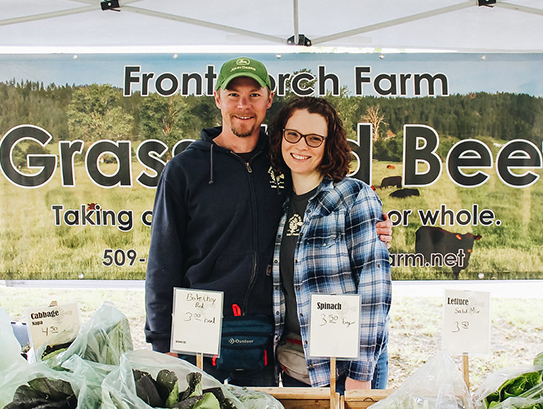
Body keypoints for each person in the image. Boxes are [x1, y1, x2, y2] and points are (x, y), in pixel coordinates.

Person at [145, 57, 392, 386]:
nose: (243, 105)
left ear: (268, 99)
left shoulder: (282, 161)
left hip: (266, 336)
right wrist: (162, 340)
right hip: (200, 328)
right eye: (233, 94)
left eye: (253, 95)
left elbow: (330, 204)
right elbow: (163, 258)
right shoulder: (183, 170)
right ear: (217, 98)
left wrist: (375, 227)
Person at [269, 97, 392, 391]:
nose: (301, 146)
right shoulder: (279, 204)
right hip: (293, 365)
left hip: (345, 370)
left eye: (314, 139)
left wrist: (361, 375)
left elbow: (375, 289)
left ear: (329, 144)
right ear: (281, 136)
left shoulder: (353, 196)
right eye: (293, 135)